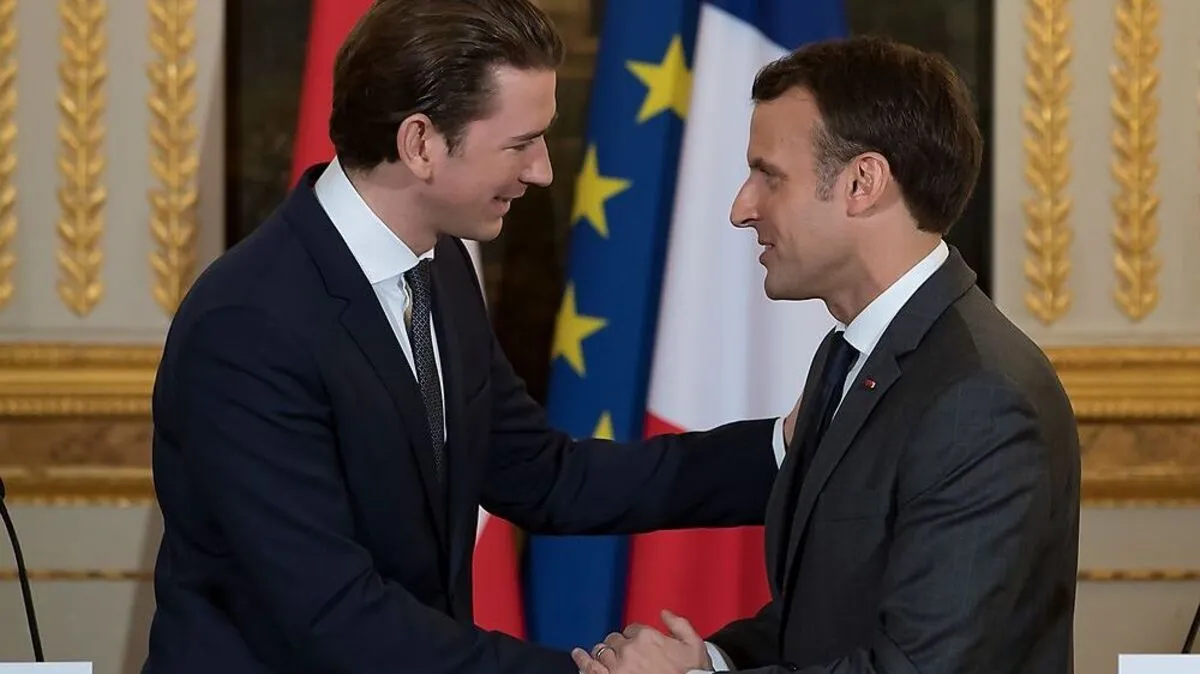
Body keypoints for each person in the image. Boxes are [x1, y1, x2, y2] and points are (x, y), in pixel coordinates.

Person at [140, 1, 803, 673]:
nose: (542, 170)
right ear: (420, 144)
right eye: (520, 144)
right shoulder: (248, 324)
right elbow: (334, 618)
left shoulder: (439, 266)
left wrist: (787, 447)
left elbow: (545, 477)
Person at [573, 35, 1081, 674]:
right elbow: (827, 613)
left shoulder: (978, 397)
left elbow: (918, 668)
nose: (741, 209)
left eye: (769, 176)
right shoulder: (853, 356)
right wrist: (713, 659)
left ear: (862, 182)